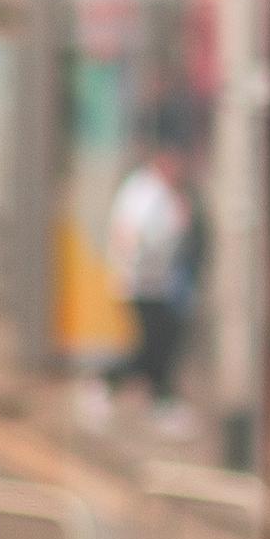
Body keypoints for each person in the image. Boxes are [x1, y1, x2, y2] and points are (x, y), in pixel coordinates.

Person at [101, 145, 200, 430]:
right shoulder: (143, 191)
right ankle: (109, 382)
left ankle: (161, 398)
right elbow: (129, 233)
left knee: (162, 343)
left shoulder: (166, 192)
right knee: (152, 345)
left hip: (158, 282)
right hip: (140, 283)